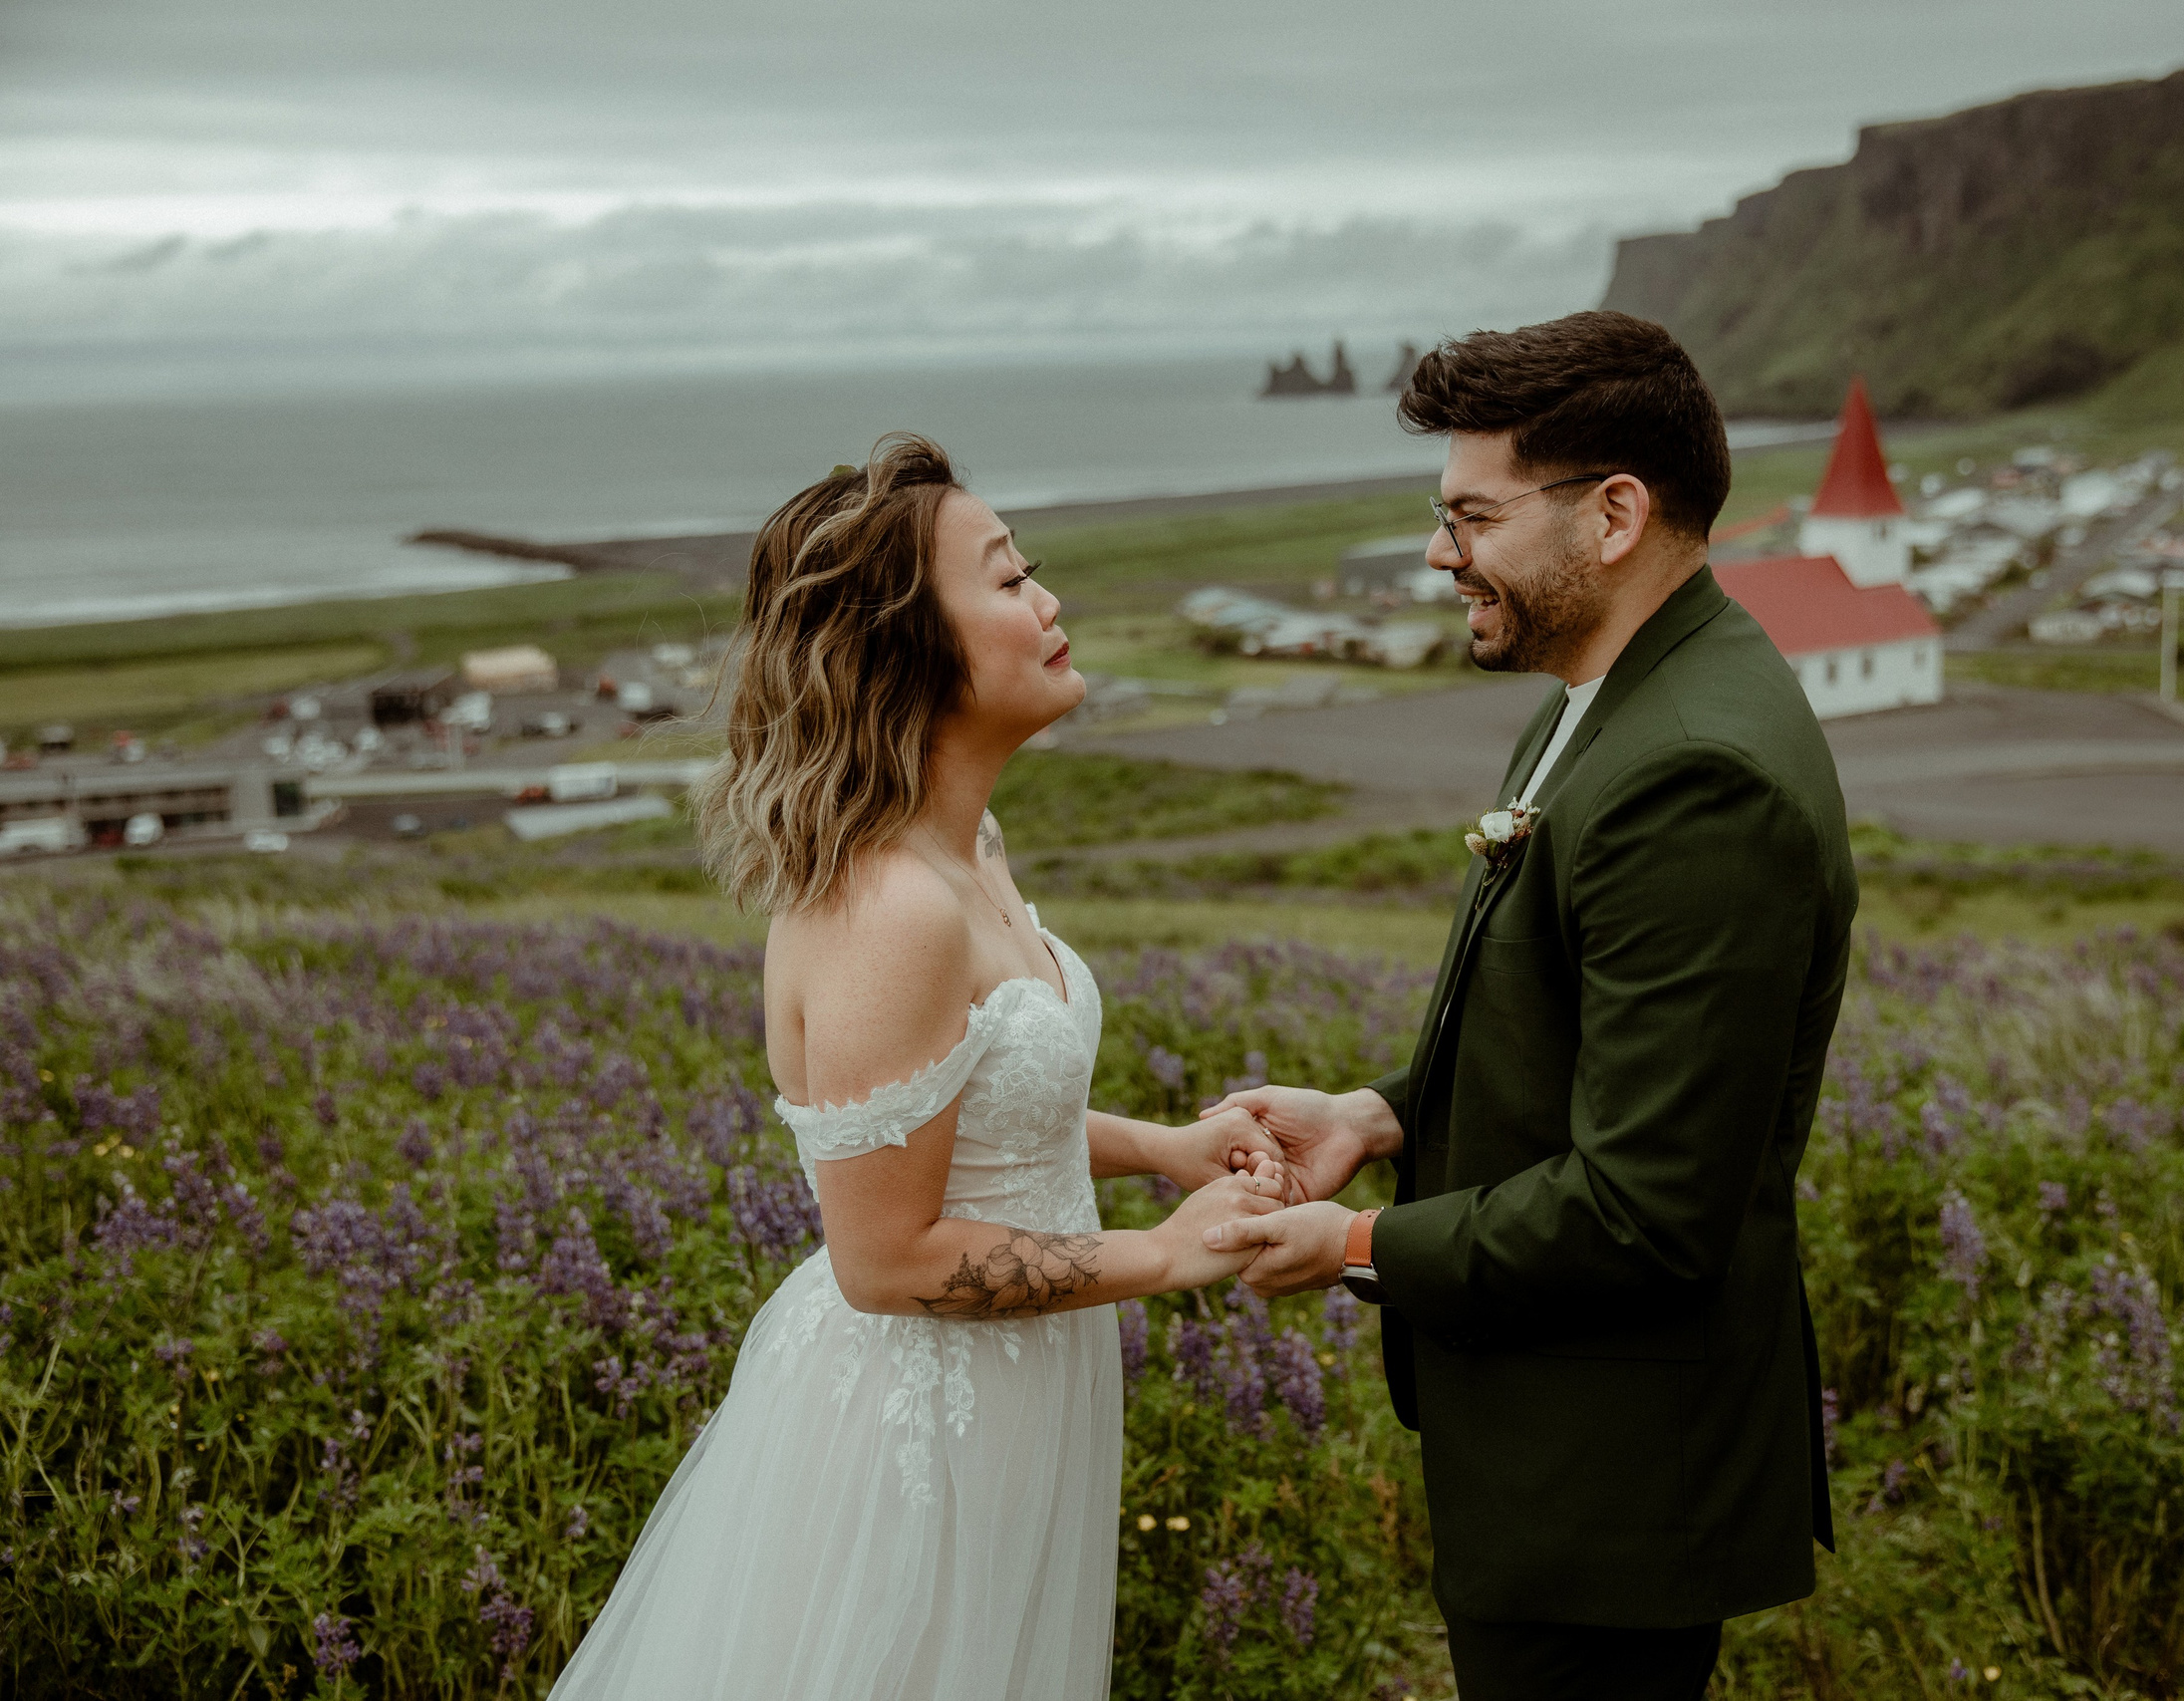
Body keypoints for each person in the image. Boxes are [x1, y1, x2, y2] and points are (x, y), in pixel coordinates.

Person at [549, 434, 1285, 1701]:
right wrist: (1166, 1252)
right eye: (1007, 581)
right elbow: (884, 1258)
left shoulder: (971, 845)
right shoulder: (888, 904)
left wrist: (1156, 1146)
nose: (1048, 602)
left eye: (1031, 569)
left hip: (1023, 1369)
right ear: (907, 645)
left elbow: (981, 1101)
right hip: (913, 1409)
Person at [1206, 312, 1852, 1701]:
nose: (1443, 553)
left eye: (1471, 515)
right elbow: (1578, 1032)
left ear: (1614, 512)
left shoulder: (1699, 774)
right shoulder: (1598, 698)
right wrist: (1377, 1114)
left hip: (1612, 1479)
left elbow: (1646, 1205)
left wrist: (1354, 1241)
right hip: (1563, 1454)